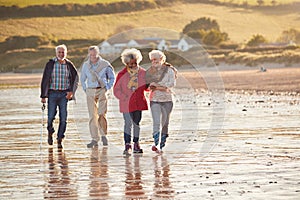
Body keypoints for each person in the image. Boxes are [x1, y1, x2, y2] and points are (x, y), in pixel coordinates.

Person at [40, 44, 78, 149]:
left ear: (66, 53)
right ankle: (50, 131)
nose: (61, 54)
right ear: (56, 53)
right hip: (52, 94)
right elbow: (44, 80)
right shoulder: (50, 64)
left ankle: (60, 138)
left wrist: (71, 92)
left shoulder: (69, 65)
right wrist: (43, 96)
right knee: (50, 117)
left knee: (63, 118)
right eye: (59, 52)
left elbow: (75, 79)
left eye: (63, 52)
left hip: (64, 95)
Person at [113, 48, 148, 155]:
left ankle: (136, 144)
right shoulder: (121, 74)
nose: (133, 65)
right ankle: (127, 145)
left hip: (138, 102)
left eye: (135, 63)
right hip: (126, 104)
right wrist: (124, 97)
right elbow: (116, 90)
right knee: (128, 124)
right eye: (130, 64)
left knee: (136, 124)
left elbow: (147, 87)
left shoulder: (143, 72)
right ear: (126, 63)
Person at [81, 46, 115, 148]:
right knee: (92, 116)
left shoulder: (105, 64)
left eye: (94, 54)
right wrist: (85, 89)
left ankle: (104, 135)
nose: (93, 57)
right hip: (90, 91)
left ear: (98, 53)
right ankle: (94, 139)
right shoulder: (86, 65)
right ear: (89, 54)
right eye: (91, 55)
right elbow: (82, 79)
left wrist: (107, 87)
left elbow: (112, 77)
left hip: (102, 90)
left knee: (101, 113)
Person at [146, 50, 177, 153]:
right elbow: (149, 86)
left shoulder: (170, 70)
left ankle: (162, 144)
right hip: (154, 100)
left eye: (155, 59)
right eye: (152, 60)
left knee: (165, 123)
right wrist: (157, 87)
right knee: (156, 122)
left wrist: (158, 87)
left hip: (167, 100)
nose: (153, 61)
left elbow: (171, 84)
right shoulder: (150, 71)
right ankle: (156, 144)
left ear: (161, 59)